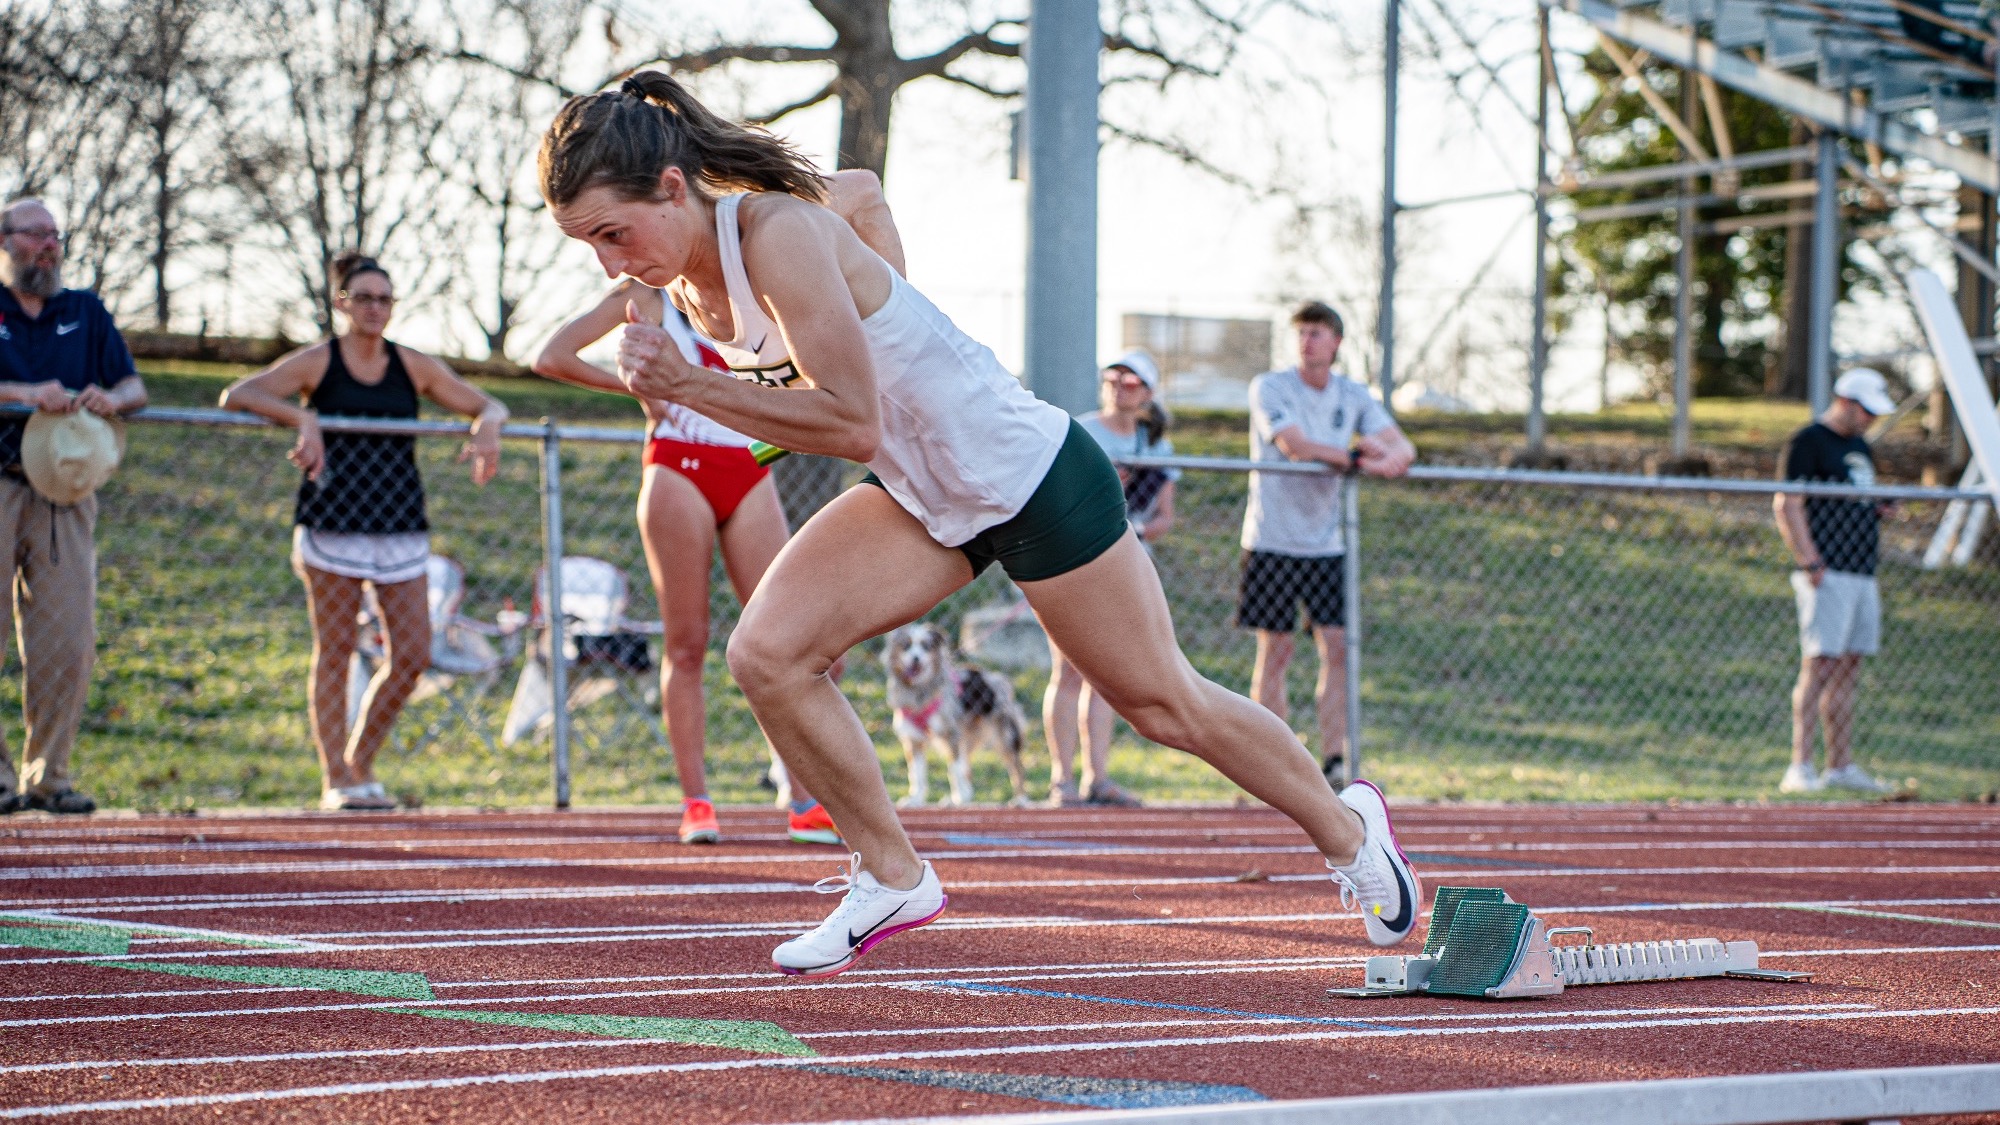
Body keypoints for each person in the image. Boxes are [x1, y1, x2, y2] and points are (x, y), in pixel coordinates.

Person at [538, 71, 1422, 979]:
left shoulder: (777, 234)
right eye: (589, 245)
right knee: (766, 654)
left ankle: (1350, 831)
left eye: (614, 232)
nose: (610, 262)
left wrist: (703, 381)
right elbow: (865, 193)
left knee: (1164, 703)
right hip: (926, 499)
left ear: (675, 187)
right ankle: (891, 874)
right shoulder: (678, 282)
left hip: (1030, 473)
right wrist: (886, 293)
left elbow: (850, 421)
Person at [535, 262, 866, 846]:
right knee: (687, 644)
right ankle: (697, 803)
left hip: (747, 469)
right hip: (678, 466)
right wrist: (639, 387)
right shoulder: (644, 296)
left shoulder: (745, 297)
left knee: (792, 636)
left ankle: (802, 797)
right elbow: (552, 356)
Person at [221, 253, 509, 810]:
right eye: (364, 298)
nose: (375, 308)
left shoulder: (412, 365)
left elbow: (486, 403)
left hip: (399, 523)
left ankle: (360, 761)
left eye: (385, 298)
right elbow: (239, 394)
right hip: (333, 524)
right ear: (342, 303)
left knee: (413, 653)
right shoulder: (318, 361)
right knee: (335, 651)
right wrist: (303, 418)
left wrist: (490, 426)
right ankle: (335, 776)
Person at [0, 198, 149, 815]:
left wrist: (112, 398)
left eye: (55, 235)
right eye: (35, 234)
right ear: (5, 242)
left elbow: (136, 387)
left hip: (65, 490)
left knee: (68, 637)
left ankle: (49, 775)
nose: (49, 245)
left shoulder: (85, 311)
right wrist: (23, 393)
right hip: (1, 475)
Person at [1240, 302, 1414, 785]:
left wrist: (1383, 456)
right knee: (1275, 652)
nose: (1307, 341)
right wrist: (1356, 458)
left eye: (1317, 333)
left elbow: (1404, 448)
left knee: (1337, 650)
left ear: (1336, 341)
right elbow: (1295, 446)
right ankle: (1271, 763)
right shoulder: (1271, 387)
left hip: (1325, 547)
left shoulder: (1352, 394)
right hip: (1272, 539)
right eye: (1301, 333)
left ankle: (1333, 761)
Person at [1042, 349, 1178, 808]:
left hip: (1127, 569)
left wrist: (1135, 529)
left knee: (1107, 675)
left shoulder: (1156, 445)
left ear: (1148, 393)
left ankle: (1097, 777)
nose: (1120, 386)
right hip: (1072, 560)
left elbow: (1164, 516)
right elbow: (1055, 495)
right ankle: (1062, 779)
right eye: (1113, 377)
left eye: (1132, 381)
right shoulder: (1081, 430)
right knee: (1068, 670)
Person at [1773, 367, 1897, 794]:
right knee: (1820, 664)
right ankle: (1800, 766)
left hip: (1863, 570)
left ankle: (1839, 766)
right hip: (1828, 572)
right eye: (1866, 411)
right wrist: (1810, 562)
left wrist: (1880, 506)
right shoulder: (1807, 441)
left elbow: (1860, 494)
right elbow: (1788, 503)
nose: (1871, 421)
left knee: (1849, 666)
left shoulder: (1861, 446)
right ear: (1845, 401)